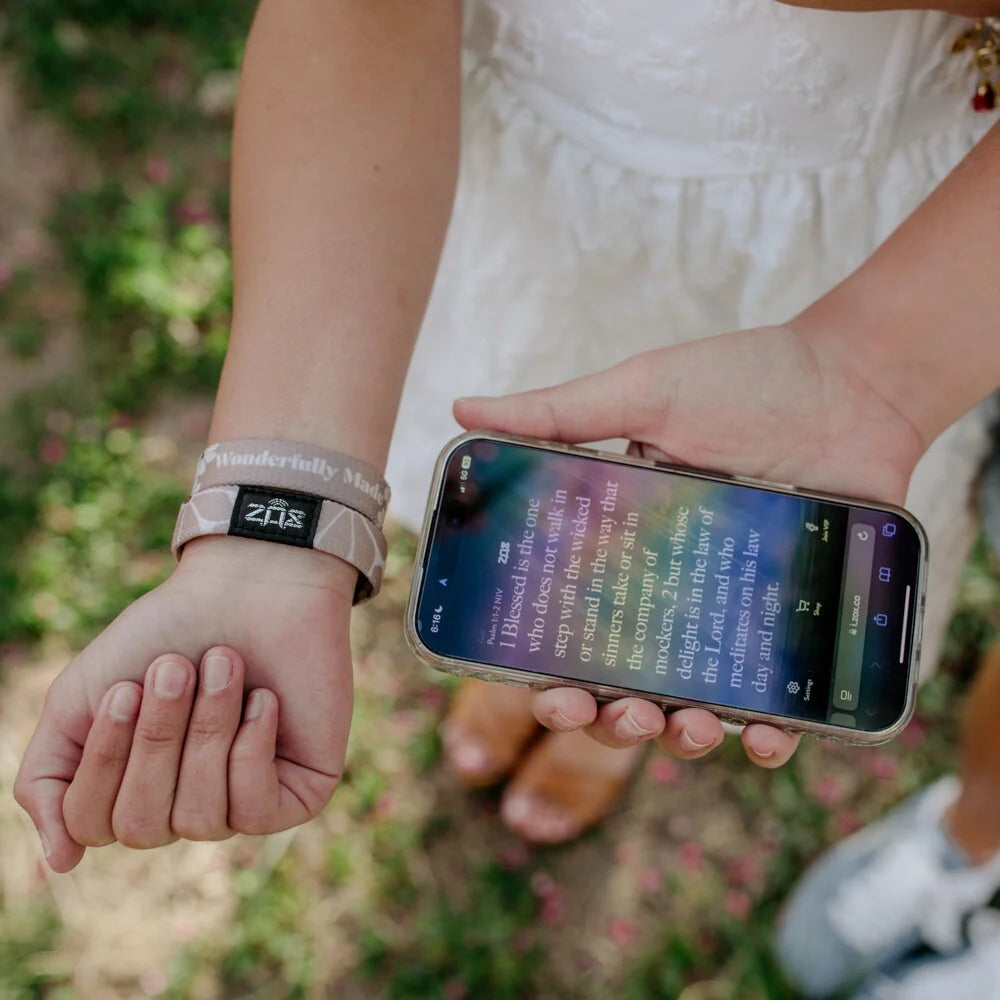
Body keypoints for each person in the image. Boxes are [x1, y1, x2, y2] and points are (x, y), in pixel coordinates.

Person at [10, 0, 1000, 886]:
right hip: (502, 163)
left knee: (668, 601)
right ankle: (561, 668)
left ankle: (604, 701)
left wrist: (879, 375)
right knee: (570, 555)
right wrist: (275, 534)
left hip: (902, 248)